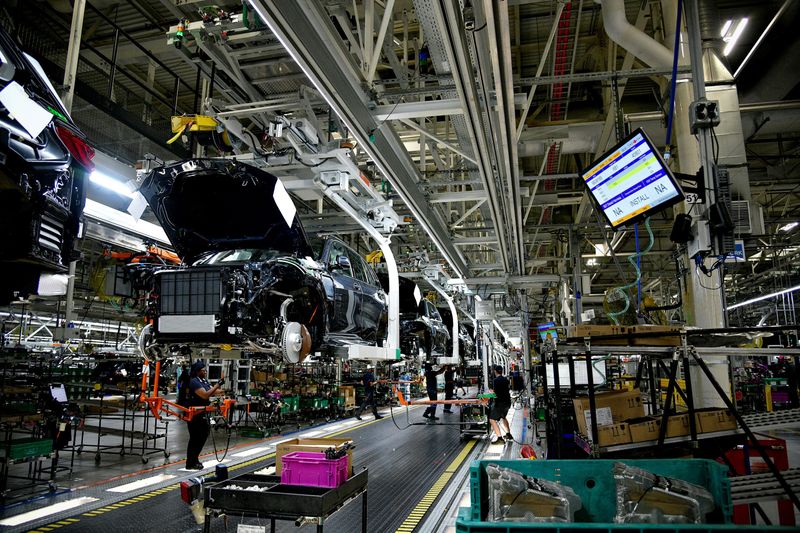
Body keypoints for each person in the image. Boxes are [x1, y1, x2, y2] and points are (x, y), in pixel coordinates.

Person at [185, 361, 224, 470]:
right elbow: (205, 395)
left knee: (203, 435)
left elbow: (211, 390)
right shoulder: (194, 382)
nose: (205, 371)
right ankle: (190, 463)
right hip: (194, 414)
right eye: (203, 370)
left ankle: (195, 459)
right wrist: (218, 384)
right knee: (195, 438)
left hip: (203, 412)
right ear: (197, 371)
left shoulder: (203, 381)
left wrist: (223, 390)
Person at [489, 365, 513, 443]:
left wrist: (489, 394)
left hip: (500, 403)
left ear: (495, 371)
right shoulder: (506, 380)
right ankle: (508, 434)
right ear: (501, 371)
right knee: (503, 417)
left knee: (492, 419)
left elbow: (495, 393)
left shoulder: (496, 380)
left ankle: (499, 438)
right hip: (507, 402)